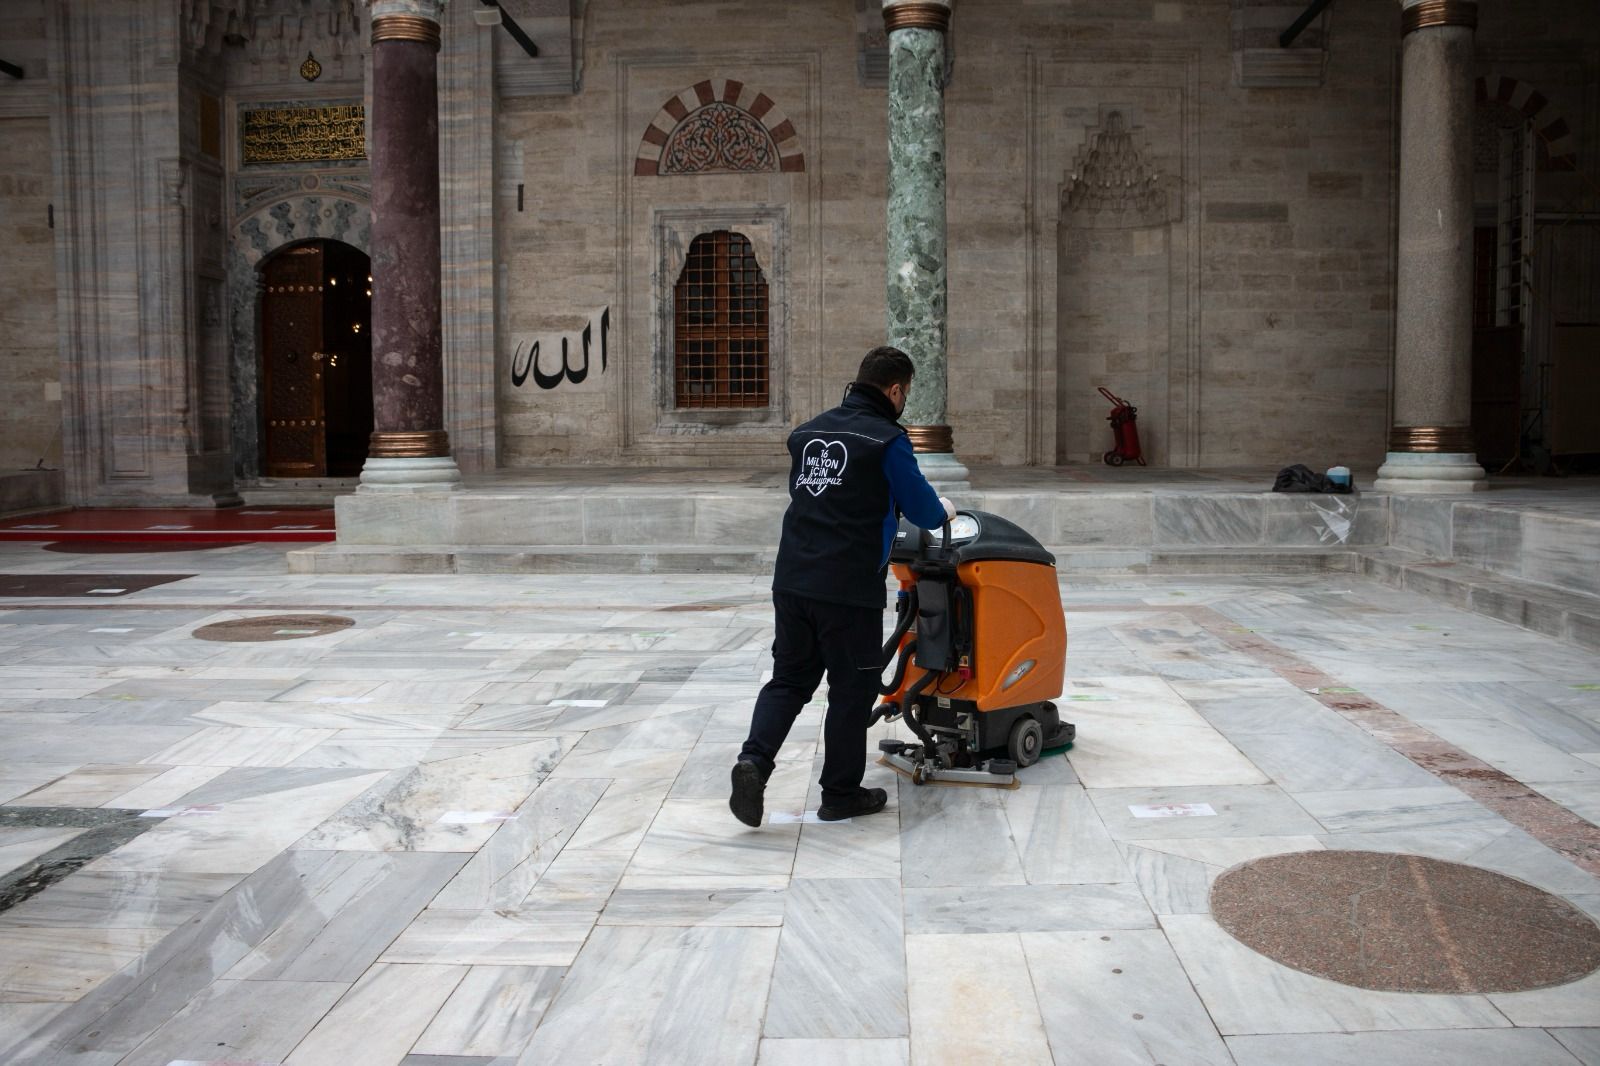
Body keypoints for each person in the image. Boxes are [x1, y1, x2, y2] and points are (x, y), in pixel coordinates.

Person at [730, 345, 953, 826]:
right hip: (847, 589)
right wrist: (945, 510)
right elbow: (924, 511)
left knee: (789, 680)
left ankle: (753, 763)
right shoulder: (886, 440)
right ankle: (841, 793)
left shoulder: (809, 432)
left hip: (792, 580)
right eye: (906, 393)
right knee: (852, 689)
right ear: (895, 390)